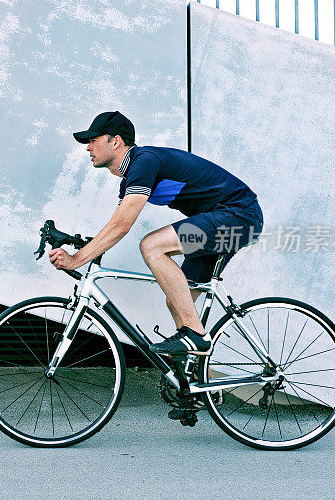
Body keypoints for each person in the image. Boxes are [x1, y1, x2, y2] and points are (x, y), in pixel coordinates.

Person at [48, 111, 263, 356]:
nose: (88, 148)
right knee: (176, 300)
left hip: (240, 217)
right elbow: (114, 226)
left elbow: (121, 226)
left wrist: (77, 260)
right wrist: (76, 243)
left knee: (152, 245)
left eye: (93, 140)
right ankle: (198, 385)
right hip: (219, 223)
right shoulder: (133, 174)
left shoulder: (144, 161)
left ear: (116, 141)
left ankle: (196, 336)